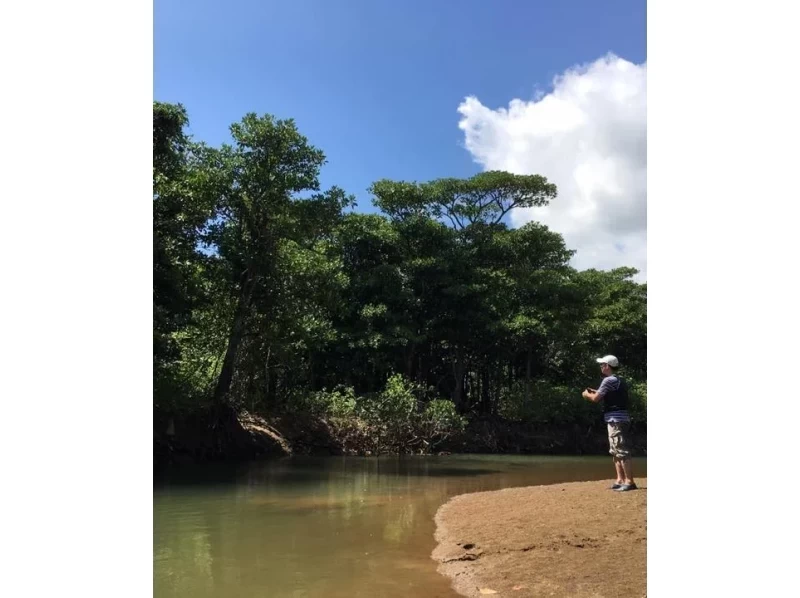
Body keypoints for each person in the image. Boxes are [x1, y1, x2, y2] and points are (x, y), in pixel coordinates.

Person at [582, 355, 637, 492]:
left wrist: (586, 394)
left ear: (607, 366)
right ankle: (620, 480)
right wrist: (596, 392)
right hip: (618, 419)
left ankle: (629, 482)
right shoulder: (618, 380)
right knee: (615, 450)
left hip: (616, 420)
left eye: (602, 364)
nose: (601, 366)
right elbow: (607, 395)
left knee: (620, 450)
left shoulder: (608, 380)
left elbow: (595, 398)